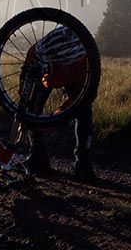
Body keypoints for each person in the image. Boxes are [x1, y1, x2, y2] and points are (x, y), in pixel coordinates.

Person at [19, 26, 97, 183]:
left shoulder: (87, 64)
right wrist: (25, 114)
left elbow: (75, 103)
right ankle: (37, 157)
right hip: (46, 74)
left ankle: (83, 161)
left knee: (83, 110)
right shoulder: (36, 52)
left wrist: (51, 120)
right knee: (33, 107)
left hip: (75, 75)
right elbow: (24, 86)